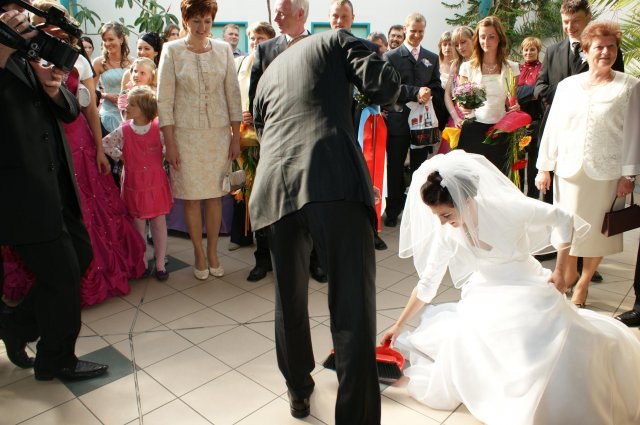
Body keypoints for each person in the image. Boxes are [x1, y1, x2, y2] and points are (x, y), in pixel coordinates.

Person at [381, 150, 640, 425]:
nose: (443, 223)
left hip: (526, 283)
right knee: (468, 338)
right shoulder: (447, 233)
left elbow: (563, 218)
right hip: (486, 290)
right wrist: (399, 324)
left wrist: (561, 270)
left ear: (466, 200)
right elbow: (428, 283)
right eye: (438, 217)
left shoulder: (507, 208)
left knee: (538, 340)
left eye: (446, 214)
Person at [251, 27, 401, 424]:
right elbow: (383, 85)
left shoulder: (267, 73)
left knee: (289, 301)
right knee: (352, 305)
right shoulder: (335, 40)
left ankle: (298, 392)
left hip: (275, 188)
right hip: (331, 176)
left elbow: (263, 131)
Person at [0, 2, 107, 379]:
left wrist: (52, 86)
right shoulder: (7, 51)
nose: (15, 14)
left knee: (79, 255)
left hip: (55, 182)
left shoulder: (25, 50)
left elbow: (69, 112)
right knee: (61, 276)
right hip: (19, 189)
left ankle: (15, 326)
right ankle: (56, 359)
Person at [535, 21, 640, 308]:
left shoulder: (630, 86)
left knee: (598, 231)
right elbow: (554, 127)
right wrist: (544, 167)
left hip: (607, 172)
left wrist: (629, 174)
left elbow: (634, 133)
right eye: (599, 47)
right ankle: (566, 273)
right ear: (586, 50)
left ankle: (584, 282)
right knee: (566, 226)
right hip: (568, 170)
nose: (605, 52)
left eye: (611, 47)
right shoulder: (568, 86)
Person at [158, 0, 242, 280]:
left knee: (215, 196)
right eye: (196, 21)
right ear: (185, 21)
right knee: (192, 198)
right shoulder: (171, 50)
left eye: (207, 21)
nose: (202, 27)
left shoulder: (223, 50)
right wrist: (170, 143)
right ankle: (198, 252)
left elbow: (233, 94)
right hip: (185, 136)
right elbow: (164, 99)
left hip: (217, 134)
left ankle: (214, 251)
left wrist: (235, 136)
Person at [247, 0, 328, 283]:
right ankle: (263, 259)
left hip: (311, 143)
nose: (276, 18)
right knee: (267, 199)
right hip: (275, 142)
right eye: (276, 13)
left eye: (282, 13)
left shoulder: (321, 47)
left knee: (312, 202)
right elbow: (255, 99)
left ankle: (316, 260)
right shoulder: (266, 50)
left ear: (300, 13)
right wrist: (265, 138)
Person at [382, 12, 447, 228]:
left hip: (423, 122)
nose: (417, 35)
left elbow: (437, 85)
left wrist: (429, 91)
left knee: (421, 168)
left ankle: (419, 210)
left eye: (421, 31)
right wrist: (414, 92)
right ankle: (393, 209)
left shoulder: (432, 57)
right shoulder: (391, 57)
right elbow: (390, 88)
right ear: (405, 29)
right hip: (399, 121)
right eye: (413, 31)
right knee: (395, 167)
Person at [103, 86, 173, 281]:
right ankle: (141, 262)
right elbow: (106, 144)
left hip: (156, 184)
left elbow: (169, 147)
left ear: (144, 108)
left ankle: (160, 263)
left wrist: (164, 155)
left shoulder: (158, 129)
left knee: (159, 223)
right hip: (134, 185)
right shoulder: (124, 130)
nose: (127, 107)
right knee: (138, 226)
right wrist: (122, 156)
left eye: (132, 104)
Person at [228, 21, 276, 251]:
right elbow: (230, 95)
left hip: (268, 133)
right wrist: (239, 113)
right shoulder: (239, 63)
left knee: (265, 186)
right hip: (242, 132)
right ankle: (241, 235)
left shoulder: (276, 63)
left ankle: (266, 239)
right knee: (242, 181)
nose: (256, 42)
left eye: (261, 38)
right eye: (253, 38)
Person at [457, 16, 520, 174]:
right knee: (473, 178)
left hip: (500, 130)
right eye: (483, 37)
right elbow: (462, 100)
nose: (486, 41)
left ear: (499, 38)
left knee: (498, 176)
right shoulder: (467, 67)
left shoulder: (512, 68)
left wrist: (515, 107)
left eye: (491, 36)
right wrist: (463, 106)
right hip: (473, 129)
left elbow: (511, 101)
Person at [93, 21, 133, 134]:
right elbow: (90, 91)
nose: (107, 43)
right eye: (104, 40)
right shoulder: (98, 63)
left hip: (129, 114)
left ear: (121, 39)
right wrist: (106, 95)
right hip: (108, 115)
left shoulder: (133, 62)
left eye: (111, 39)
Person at [517, 36, 543, 197]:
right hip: (518, 122)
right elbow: (513, 92)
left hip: (535, 120)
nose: (528, 52)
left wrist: (520, 93)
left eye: (532, 49)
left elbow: (539, 91)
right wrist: (530, 91)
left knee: (534, 162)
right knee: (519, 162)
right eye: (526, 49)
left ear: (538, 51)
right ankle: (518, 195)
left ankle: (533, 196)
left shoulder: (543, 69)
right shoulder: (518, 69)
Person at [443, 26, 473, 129]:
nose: (460, 47)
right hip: (459, 116)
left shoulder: (483, 62)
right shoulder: (456, 64)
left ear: (473, 39)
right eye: (456, 45)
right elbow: (447, 94)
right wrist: (455, 117)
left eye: (463, 42)